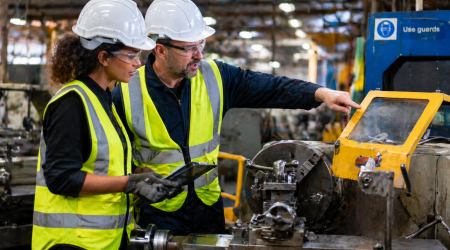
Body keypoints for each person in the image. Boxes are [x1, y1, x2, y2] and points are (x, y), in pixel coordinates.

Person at [112, 0, 362, 236]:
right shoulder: (124, 93)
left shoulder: (216, 77)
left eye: (201, 45)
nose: (199, 55)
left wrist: (320, 93)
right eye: (190, 48)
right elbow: (107, 159)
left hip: (208, 209)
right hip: (158, 214)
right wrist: (133, 174)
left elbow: (271, 87)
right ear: (160, 50)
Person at [31, 0, 180, 249]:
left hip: (101, 241)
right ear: (103, 57)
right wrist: (127, 183)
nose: (138, 63)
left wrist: (137, 175)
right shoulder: (71, 103)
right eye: (131, 55)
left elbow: (98, 163)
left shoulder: (103, 99)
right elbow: (61, 178)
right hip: (72, 243)